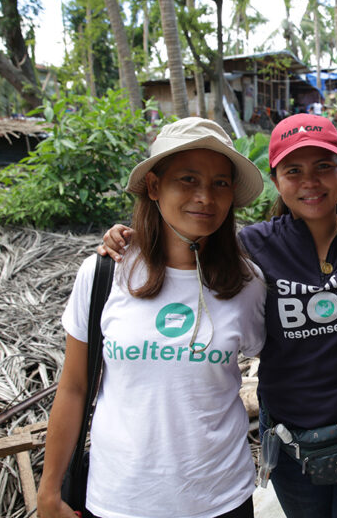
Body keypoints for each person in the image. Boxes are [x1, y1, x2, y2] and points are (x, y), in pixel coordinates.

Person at [100, 113, 337, 518]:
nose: (310, 182)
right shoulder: (251, 247)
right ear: (276, 180)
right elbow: (183, 240)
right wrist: (127, 237)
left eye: (324, 166)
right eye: (293, 170)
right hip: (291, 443)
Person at [37, 118, 267, 518]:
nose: (205, 197)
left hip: (220, 499)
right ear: (155, 187)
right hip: (120, 499)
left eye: (220, 183)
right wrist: (49, 489)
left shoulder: (246, 283)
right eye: (188, 179)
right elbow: (74, 387)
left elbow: (282, 367)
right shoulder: (106, 274)